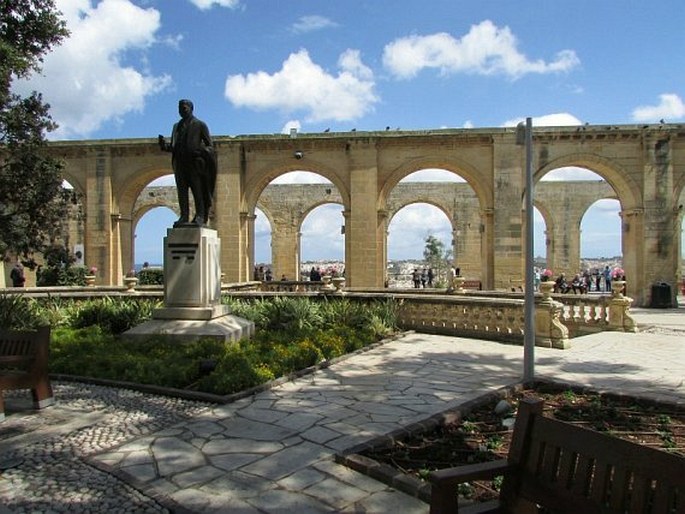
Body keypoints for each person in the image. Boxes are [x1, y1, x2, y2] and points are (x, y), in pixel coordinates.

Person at [159, 99, 217, 227]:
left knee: (198, 191)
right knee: (182, 191)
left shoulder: (200, 124)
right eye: (180, 108)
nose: (182, 110)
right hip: (180, 164)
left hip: (194, 164)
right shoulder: (176, 126)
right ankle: (184, 216)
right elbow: (174, 146)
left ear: (191, 108)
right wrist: (165, 146)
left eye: (184, 108)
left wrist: (200, 150)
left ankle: (200, 216)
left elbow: (210, 146)